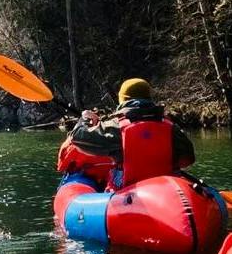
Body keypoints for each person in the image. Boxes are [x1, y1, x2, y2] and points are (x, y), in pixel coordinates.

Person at [56, 78, 195, 190]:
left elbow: (77, 137)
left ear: (123, 100)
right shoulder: (171, 127)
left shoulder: (117, 127)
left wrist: (85, 119)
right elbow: (188, 159)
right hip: (165, 190)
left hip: (128, 191)